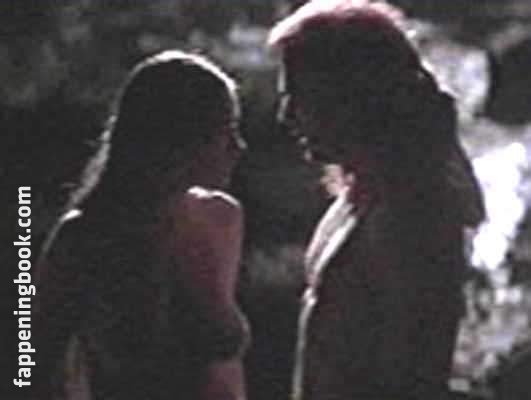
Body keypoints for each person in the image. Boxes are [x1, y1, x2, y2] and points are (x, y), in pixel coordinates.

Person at [268, 1, 485, 399]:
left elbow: (414, 376)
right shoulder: (358, 199)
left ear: (351, 95)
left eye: (299, 95)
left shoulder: (413, 210)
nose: (286, 116)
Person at [31, 50, 249, 400]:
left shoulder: (221, 218)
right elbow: (33, 363)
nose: (238, 147)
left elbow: (226, 369)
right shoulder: (86, 236)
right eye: (225, 131)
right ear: (179, 138)